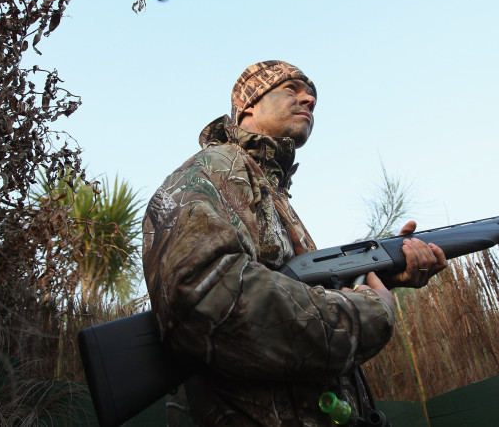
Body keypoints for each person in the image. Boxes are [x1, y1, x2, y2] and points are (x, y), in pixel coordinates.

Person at [142, 60, 448, 426]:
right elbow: (203, 295)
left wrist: (380, 273)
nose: (308, 100)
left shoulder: (270, 191)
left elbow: (295, 289)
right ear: (249, 106)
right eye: (292, 89)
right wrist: (370, 313)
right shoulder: (218, 167)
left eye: (312, 97)